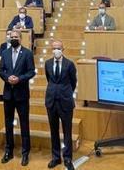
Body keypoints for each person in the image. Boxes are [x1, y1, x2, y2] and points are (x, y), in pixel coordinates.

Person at [0, 30, 36, 166]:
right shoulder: (5, 53)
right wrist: (7, 78)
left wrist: (19, 79)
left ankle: (25, 152)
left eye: (16, 37)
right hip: (8, 94)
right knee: (8, 124)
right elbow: (0, 70)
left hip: (21, 94)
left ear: (21, 39)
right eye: (11, 37)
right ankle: (9, 151)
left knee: (24, 123)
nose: (13, 38)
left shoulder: (27, 53)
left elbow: (31, 71)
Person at [45, 39, 77, 170]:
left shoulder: (69, 64)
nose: (56, 50)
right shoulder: (47, 63)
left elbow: (73, 82)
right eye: (54, 48)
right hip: (51, 101)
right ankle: (56, 157)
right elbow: (49, 79)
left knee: (67, 131)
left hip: (65, 101)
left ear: (63, 49)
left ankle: (68, 158)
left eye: (58, 48)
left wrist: (65, 93)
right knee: (53, 131)